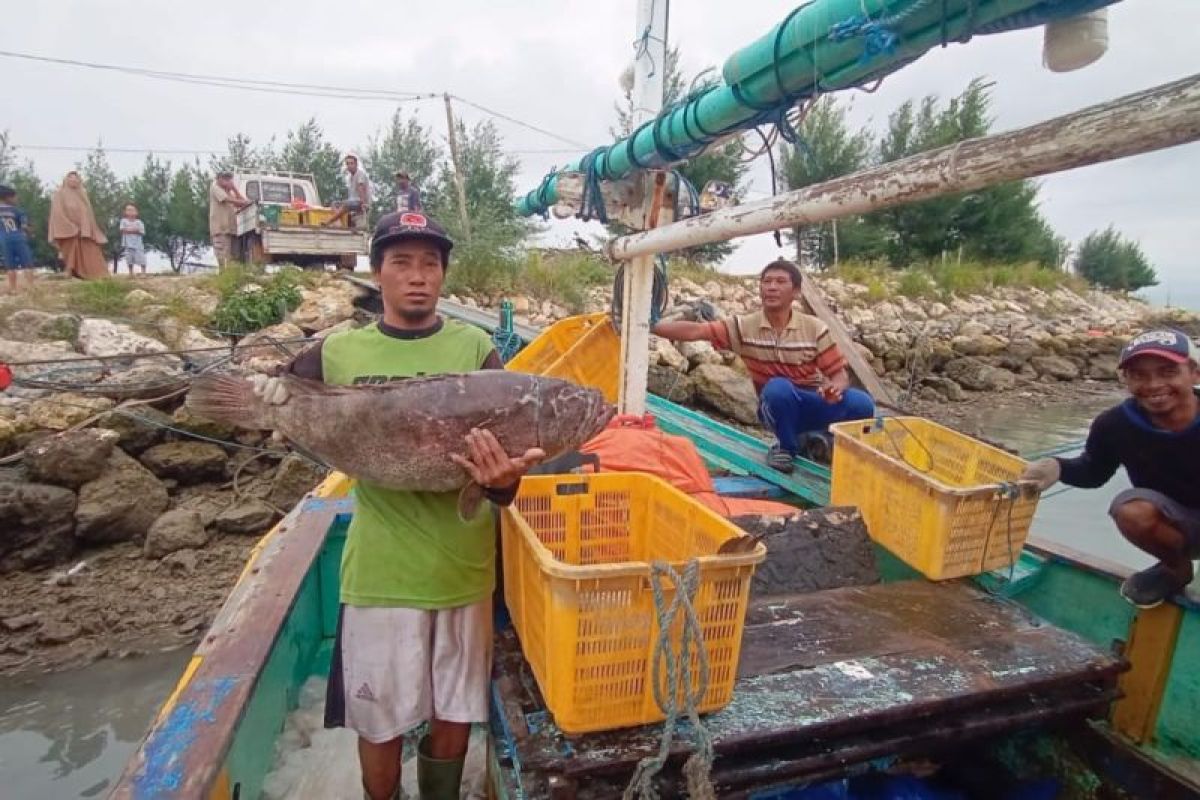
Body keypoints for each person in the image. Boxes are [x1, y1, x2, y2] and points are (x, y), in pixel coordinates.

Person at [255, 211, 542, 800]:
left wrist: (504, 480)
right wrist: (264, 396)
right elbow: (283, 399)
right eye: (402, 262)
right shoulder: (336, 351)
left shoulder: (477, 349)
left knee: (454, 715)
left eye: (430, 264)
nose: (418, 276)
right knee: (378, 723)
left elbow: (504, 488)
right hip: (380, 574)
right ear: (377, 272)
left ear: (443, 276)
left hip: (463, 575)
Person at [1022, 329, 1200, 608]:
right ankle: (1175, 569)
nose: (1153, 384)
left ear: (1194, 373)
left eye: (1167, 372)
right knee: (1130, 510)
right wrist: (1057, 467)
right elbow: (1093, 471)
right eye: (1139, 375)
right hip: (1176, 527)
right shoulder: (1115, 425)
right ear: (1125, 379)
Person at [652, 258, 875, 471]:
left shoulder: (814, 328)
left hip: (811, 400)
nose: (771, 287)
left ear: (796, 292)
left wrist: (834, 389)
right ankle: (785, 448)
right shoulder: (744, 327)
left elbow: (839, 375)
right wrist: (650, 325)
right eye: (766, 282)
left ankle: (820, 440)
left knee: (862, 403)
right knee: (778, 388)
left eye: (780, 282)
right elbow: (697, 331)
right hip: (777, 405)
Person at [48, 171, 108, 279]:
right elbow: (57, 212)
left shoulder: (83, 194)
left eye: (76, 178)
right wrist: (70, 226)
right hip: (68, 229)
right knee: (70, 251)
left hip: (84, 231)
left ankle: (95, 273)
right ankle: (69, 270)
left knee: (91, 250)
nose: (74, 180)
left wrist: (86, 227)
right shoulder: (59, 194)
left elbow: (88, 212)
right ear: (66, 179)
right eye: (71, 178)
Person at [208, 171, 250, 269]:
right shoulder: (215, 187)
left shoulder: (227, 191)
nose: (228, 181)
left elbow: (239, 202)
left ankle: (230, 275)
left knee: (233, 256)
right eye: (225, 179)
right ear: (219, 179)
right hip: (220, 228)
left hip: (230, 228)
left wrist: (234, 189)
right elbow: (228, 199)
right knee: (223, 254)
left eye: (229, 179)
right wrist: (245, 202)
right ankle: (223, 274)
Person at [0, 184, 35, 294]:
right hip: (18, 238)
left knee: (10, 266)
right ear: (8, 197)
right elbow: (24, 226)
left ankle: (13, 288)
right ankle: (31, 287)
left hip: (5, 239)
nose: (16, 199)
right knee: (27, 264)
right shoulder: (17, 211)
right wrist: (30, 232)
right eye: (15, 197)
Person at [325, 153, 372, 230]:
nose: (349, 166)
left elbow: (361, 188)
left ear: (356, 164)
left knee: (346, 205)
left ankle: (329, 221)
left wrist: (364, 204)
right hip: (352, 201)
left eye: (351, 163)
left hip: (360, 201)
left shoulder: (360, 174)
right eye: (347, 164)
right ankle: (339, 224)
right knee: (334, 204)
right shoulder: (350, 177)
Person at [118, 203, 147, 275]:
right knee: (129, 259)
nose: (130, 212)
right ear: (125, 212)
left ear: (136, 212)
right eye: (128, 210)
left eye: (132, 210)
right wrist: (134, 230)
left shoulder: (139, 222)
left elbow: (142, 232)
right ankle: (131, 273)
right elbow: (122, 230)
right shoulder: (123, 221)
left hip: (138, 244)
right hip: (127, 244)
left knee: (141, 258)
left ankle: (143, 272)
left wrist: (130, 230)